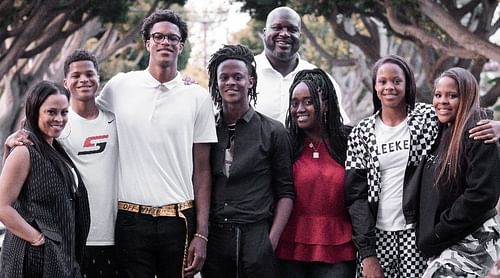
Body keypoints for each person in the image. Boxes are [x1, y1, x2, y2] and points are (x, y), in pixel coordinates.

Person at [345, 55, 500, 278]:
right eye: (383, 81)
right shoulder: (361, 132)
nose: (389, 87)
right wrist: (367, 253)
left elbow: (465, 116)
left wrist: (496, 125)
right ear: (375, 86)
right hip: (378, 236)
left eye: (397, 81)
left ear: (408, 84)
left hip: (415, 235)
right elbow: (355, 198)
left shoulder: (427, 118)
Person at [96, 9, 217, 278]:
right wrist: (26, 134)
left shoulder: (197, 97)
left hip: (178, 219)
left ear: (180, 46)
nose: (165, 42)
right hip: (130, 217)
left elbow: (203, 170)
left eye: (172, 38)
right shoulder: (119, 86)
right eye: (158, 36)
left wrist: (202, 232)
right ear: (147, 43)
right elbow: (83, 116)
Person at [202, 44, 294, 278]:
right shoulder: (205, 130)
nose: (231, 82)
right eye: (224, 77)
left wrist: (270, 242)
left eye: (238, 77)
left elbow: (286, 193)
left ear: (250, 81)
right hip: (216, 239)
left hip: (256, 237)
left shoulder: (273, 131)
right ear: (216, 83)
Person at [414, 67, 500, 277]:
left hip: (473, 237)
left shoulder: (478, 131)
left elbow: (481, 195)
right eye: (438, 95)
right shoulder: (440, 130)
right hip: (447, 238)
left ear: (467, 97)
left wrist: (438, 232)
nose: (442, 101)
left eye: (452, 95)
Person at [0, 80, 90, 277]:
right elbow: (2, 206)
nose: (59, 118)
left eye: (64, 112)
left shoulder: (54, 148)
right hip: (32, 258)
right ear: (35, 112)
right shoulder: (25, 151)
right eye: (51, 112)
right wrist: (38, 239)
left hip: (55, 255)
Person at [276, 68, 355, 277]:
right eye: (295, 103)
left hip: (338, 246)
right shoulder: (285, 143)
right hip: (289, 245)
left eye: (308, 101)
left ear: (326, 104)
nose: (299, 109)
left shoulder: (349, 141)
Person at [60, 49, 118, 277]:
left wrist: (181, 84)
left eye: (89, 74)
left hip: (117, 234)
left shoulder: (115, 118)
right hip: (75, 235)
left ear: (98, 78)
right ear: (66, 82)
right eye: (76, 75)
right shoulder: (58, 125)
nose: (83, 79)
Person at [253, 6, 350, 124]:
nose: (284, 34)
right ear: (264, 33)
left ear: (300, 36)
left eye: (292, 29)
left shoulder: (320, 79)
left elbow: (339, 128)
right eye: (277, 28)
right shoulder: (244, 74)